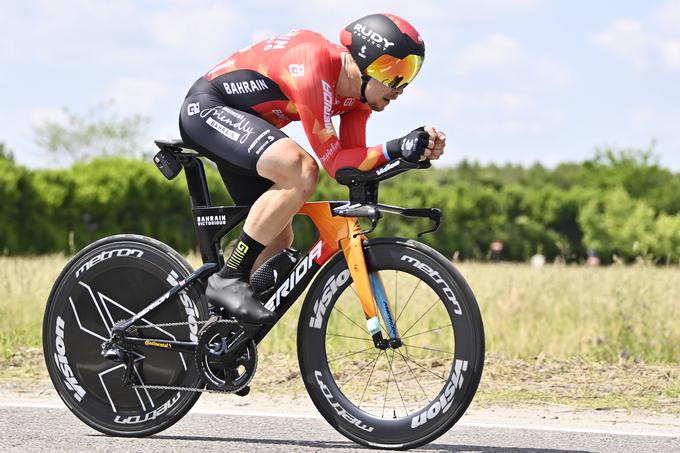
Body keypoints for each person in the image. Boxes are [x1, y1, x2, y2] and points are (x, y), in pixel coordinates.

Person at [178, 13, 446, 324]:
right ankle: (228, 279)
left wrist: (412, 152)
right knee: (301, 169)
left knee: (277, 240)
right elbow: (331, 163)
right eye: (396, 72)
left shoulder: (355, 101)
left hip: (247, 125)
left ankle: (213, 329)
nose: (401, 88)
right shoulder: (313, 65)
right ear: (366, 62)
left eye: (410, 74)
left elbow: (350, 165)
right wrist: (396, 146)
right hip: (209, 108)